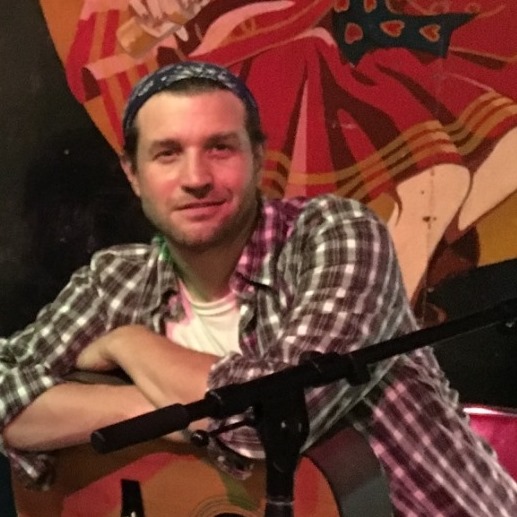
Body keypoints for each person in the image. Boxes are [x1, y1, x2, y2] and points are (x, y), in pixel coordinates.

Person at [1, 61, 516, 515]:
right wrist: (154, 414)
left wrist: (127, 344)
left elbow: (274, 418)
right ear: (133, 174)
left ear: (260, 158)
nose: (196, 177)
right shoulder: (117, 278)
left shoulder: (333, 235)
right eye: (167, 154)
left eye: (220, 147)